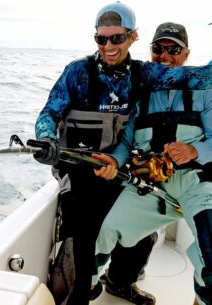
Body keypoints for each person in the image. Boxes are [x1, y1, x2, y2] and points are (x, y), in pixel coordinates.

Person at [33, 1, 212, 304]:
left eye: (117, 38)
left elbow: (199, 77)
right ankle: (76, 290)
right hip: (86, 172)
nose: (109, 45)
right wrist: (47, 140)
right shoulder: (79, 72)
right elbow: (50, 113)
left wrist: (193, 149)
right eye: (101, 39)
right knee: (87, 230)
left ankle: (120, 282)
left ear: (133, 37)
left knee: (162, 241)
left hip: (155, 177)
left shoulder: (146, 77)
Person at [93, 22, 212, 305]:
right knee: (103, 231)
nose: (165, 55)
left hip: (197, 186)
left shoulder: (206, 91)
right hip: (151, 186)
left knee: (210, 251)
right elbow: (125, 142)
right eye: (159, 48)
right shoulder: (140, 92)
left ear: (186, 54)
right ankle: (81, 291)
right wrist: (113, 160)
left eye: (174, 49)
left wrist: (195, 151)